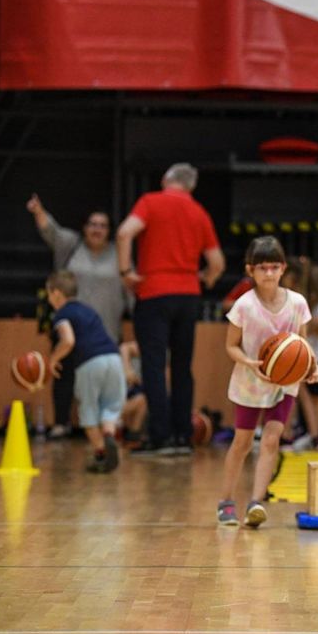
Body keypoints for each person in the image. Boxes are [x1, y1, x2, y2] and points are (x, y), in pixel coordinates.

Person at [117, 163, 226, 456]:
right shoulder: (199, 213)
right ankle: (182, 437)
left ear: (166, 179)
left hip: (153, 293)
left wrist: (126, 270)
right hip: (188, 295)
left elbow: (125, 233)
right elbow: (217, 263)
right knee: (182, 367)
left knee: (153, 365)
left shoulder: (151, 202)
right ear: (190, 186)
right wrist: (204, 278)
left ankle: (160, 437)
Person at [216, 236, 318, 527]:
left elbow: (302, 344)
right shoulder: (244, 306)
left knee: (272, 438)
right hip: (250, 381)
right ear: (250, 270)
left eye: (274, 267)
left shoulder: (297, 303)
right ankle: (226, 501)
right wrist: (248, 362)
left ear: (284, 268)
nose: (269, 273)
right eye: (262, 268)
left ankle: (255, 503)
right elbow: (231, 345)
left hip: (283, 383)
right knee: (242, 442)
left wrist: (311, 367)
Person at [27, 194, 130, 438]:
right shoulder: (71, 245)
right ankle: (62, 423)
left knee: (101, 383)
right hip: (69, 326)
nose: (97, 229)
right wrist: (38, 210)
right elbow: (51, 231)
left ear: (109, 231)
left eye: (103, 225)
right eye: (93, 224)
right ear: (85, 227)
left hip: (104, 330)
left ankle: (105, 430)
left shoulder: (120, 254)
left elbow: (129, 287)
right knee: (64, 376)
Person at [44, 271, 125, 473]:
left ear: (56, 294)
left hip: (90, 363)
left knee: (88, 411)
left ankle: (101, 454)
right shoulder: (89, 310)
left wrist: (53, 358)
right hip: (114, 358)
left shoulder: (61, 314)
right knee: (111, 405)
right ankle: (108, 435)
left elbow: (68, 341)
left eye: (48, 294)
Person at [291, 264, 318, 451]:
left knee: (316, 397)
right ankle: (313, 433)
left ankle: (315, 435)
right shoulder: (309, 303)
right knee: (303, 393)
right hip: (305, 354)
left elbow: (315, 326)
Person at [118, 339, 148, 450]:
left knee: (143, 400)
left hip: (130, 398)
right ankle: (130, 434)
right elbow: (124, 347)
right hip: (116, 402)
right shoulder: (125, 351)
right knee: (142, 400)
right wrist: (127, 369)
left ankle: (132, 436)